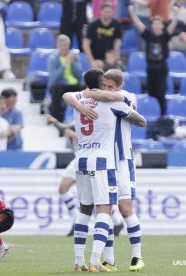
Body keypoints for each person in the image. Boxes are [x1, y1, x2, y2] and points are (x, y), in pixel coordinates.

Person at [62, 68, 146, 272]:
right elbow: (140, 121)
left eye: (110, 86)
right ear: (99, 83)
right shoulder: (101, 101)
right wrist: (87, 98)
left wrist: (88, 96)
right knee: (104, 209)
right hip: (103, 160)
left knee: (123, 208)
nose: (106, 89)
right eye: (104, 84)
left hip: (121, 159)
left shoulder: (124, 96)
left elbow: (72, 95)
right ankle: (104, 259)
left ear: (119, 87)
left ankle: (137, 256)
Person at [128, 4, 179, 115]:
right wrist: (133, 13)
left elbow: (172, 26)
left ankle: (162, 116)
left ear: (162, 25)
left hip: (161, 67)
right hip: (150, 67)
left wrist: (175, 14)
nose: (156, 26)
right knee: (151, 93)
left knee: (161, 94)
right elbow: (139, 25)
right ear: (152, 26)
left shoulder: (165, 36)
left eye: (158, 23)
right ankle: (151, 115)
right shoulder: (149, 36)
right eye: (154, 24)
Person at [46, 114, 78, 236]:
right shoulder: (82, 118)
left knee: (95, 195)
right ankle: (76, 220)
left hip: (86, 159)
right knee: (63, 188)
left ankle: (116, 221)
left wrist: (54, 121)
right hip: (79, 159)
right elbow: (66, 128)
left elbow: (68, 131)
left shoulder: (95, 119)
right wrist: (55, 121)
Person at [48, 34, 83, 123]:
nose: (63, 47)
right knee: (56, 88)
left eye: (65, 45)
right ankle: (57, 120)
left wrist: (72, 62)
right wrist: (65, 64)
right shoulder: (53, 58)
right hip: (60, 85)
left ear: (69, 45)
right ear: (57, 46)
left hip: (74, 84)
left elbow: (79, 75)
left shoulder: (74, 57)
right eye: (61, 45)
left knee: (85, 87)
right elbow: (54, 78)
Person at [83, 3, 122, 69]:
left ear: (112, 12)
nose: (107, 14)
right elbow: (86, 44)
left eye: (109, 12)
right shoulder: (93, 25)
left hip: (110, 58)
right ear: (101, 11)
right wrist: (92, 61)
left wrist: (116, 57)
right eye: (105, 12)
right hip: (96, 58)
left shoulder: (116, 25)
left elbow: (117, 42)